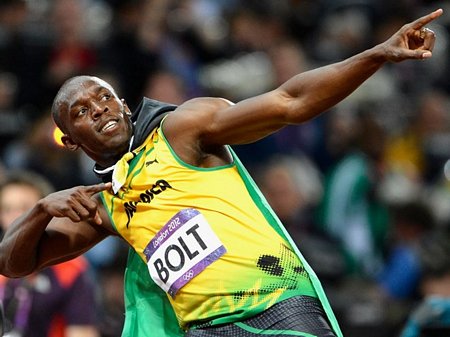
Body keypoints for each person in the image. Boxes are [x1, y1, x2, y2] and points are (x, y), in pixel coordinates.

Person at [0, 8, 443, 337]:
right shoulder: (102, 203)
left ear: (123, 104)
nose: (99, 110)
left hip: (276, 304)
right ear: (70, 140)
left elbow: (290, 102)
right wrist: (40, 210)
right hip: (204, 329)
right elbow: (13, 263)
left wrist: (377, 55)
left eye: (105, 98)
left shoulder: (181, 129)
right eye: (81, 112)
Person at [0, 171, 99, 337]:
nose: (15, 218)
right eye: (7, 209)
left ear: (48, 215)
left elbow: (82, 333)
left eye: (25, 209)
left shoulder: (71, 270)